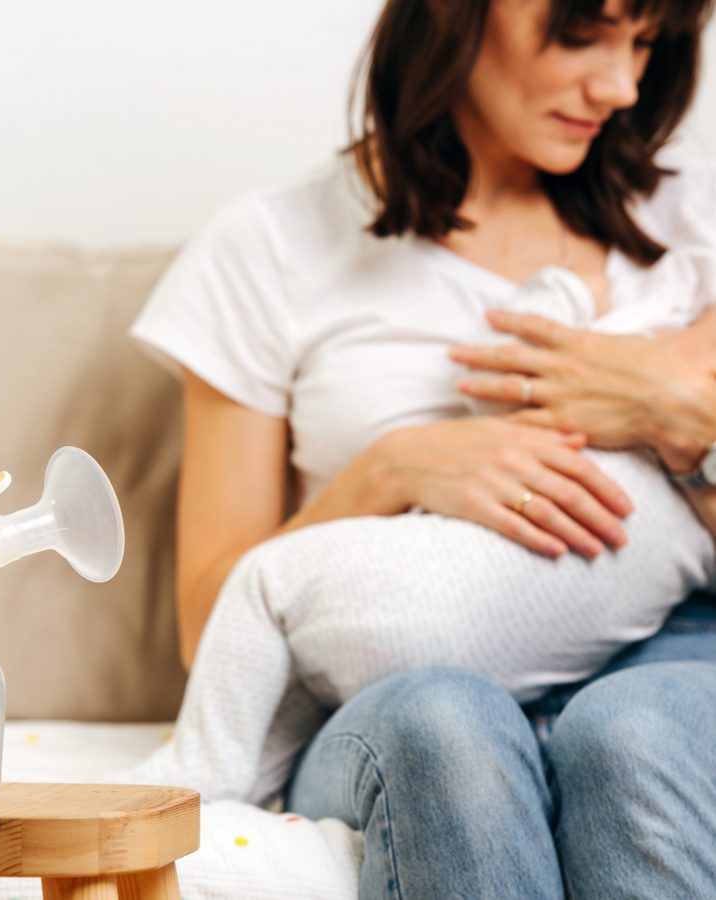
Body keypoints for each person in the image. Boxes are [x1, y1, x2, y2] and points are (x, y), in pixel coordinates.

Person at [131, 0, 716, 895]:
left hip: (674, 656)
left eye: (646, 43)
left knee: (632, 731)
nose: (622, 85)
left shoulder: (697, 222)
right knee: (446, 724)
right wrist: (391, 470)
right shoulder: (267, 250)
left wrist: (677, 418)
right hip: (406, 686)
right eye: (581, 33)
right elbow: (209, 628)